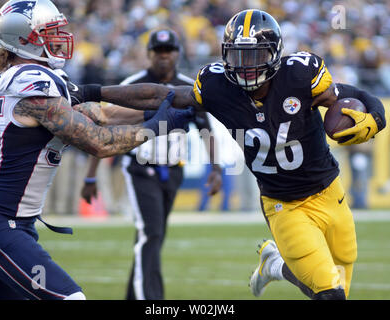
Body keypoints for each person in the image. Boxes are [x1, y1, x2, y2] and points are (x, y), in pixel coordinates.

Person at [73, 9, 386, 300]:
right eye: (239, 56)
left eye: (256, 55)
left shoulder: (300, 75)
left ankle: (274, 266)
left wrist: (376, 118)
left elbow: (353, 95)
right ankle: (278, 264)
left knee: (339, 281)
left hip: (330, 192)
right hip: (283, 204)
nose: (247, 66)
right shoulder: (218, 86)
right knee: (330, 293)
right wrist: (93, 91)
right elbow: (159, 94)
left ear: (275, 54)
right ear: (225, 54)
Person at [0, 0, 195, 300]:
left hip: (15, 222)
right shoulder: (31, 83)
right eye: (49, 32)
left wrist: (161, 110)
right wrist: (156, 127)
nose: (60, 38)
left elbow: (100, 113)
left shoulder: (29, 78)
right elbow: (99, 142)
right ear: (24, 40)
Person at [80, 28, 222, 300]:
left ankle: (134, 295)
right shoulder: (133, 84)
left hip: (174, 169)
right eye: (158, 52)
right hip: (140, 168)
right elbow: (103, 125)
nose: (164, 57)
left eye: (169, 52)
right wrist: (90, 177)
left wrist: (215, 169)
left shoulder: (189, 87)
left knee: (152, 237)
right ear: (149, 55)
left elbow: (206, 131)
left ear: (178, 54)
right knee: (151, 234)